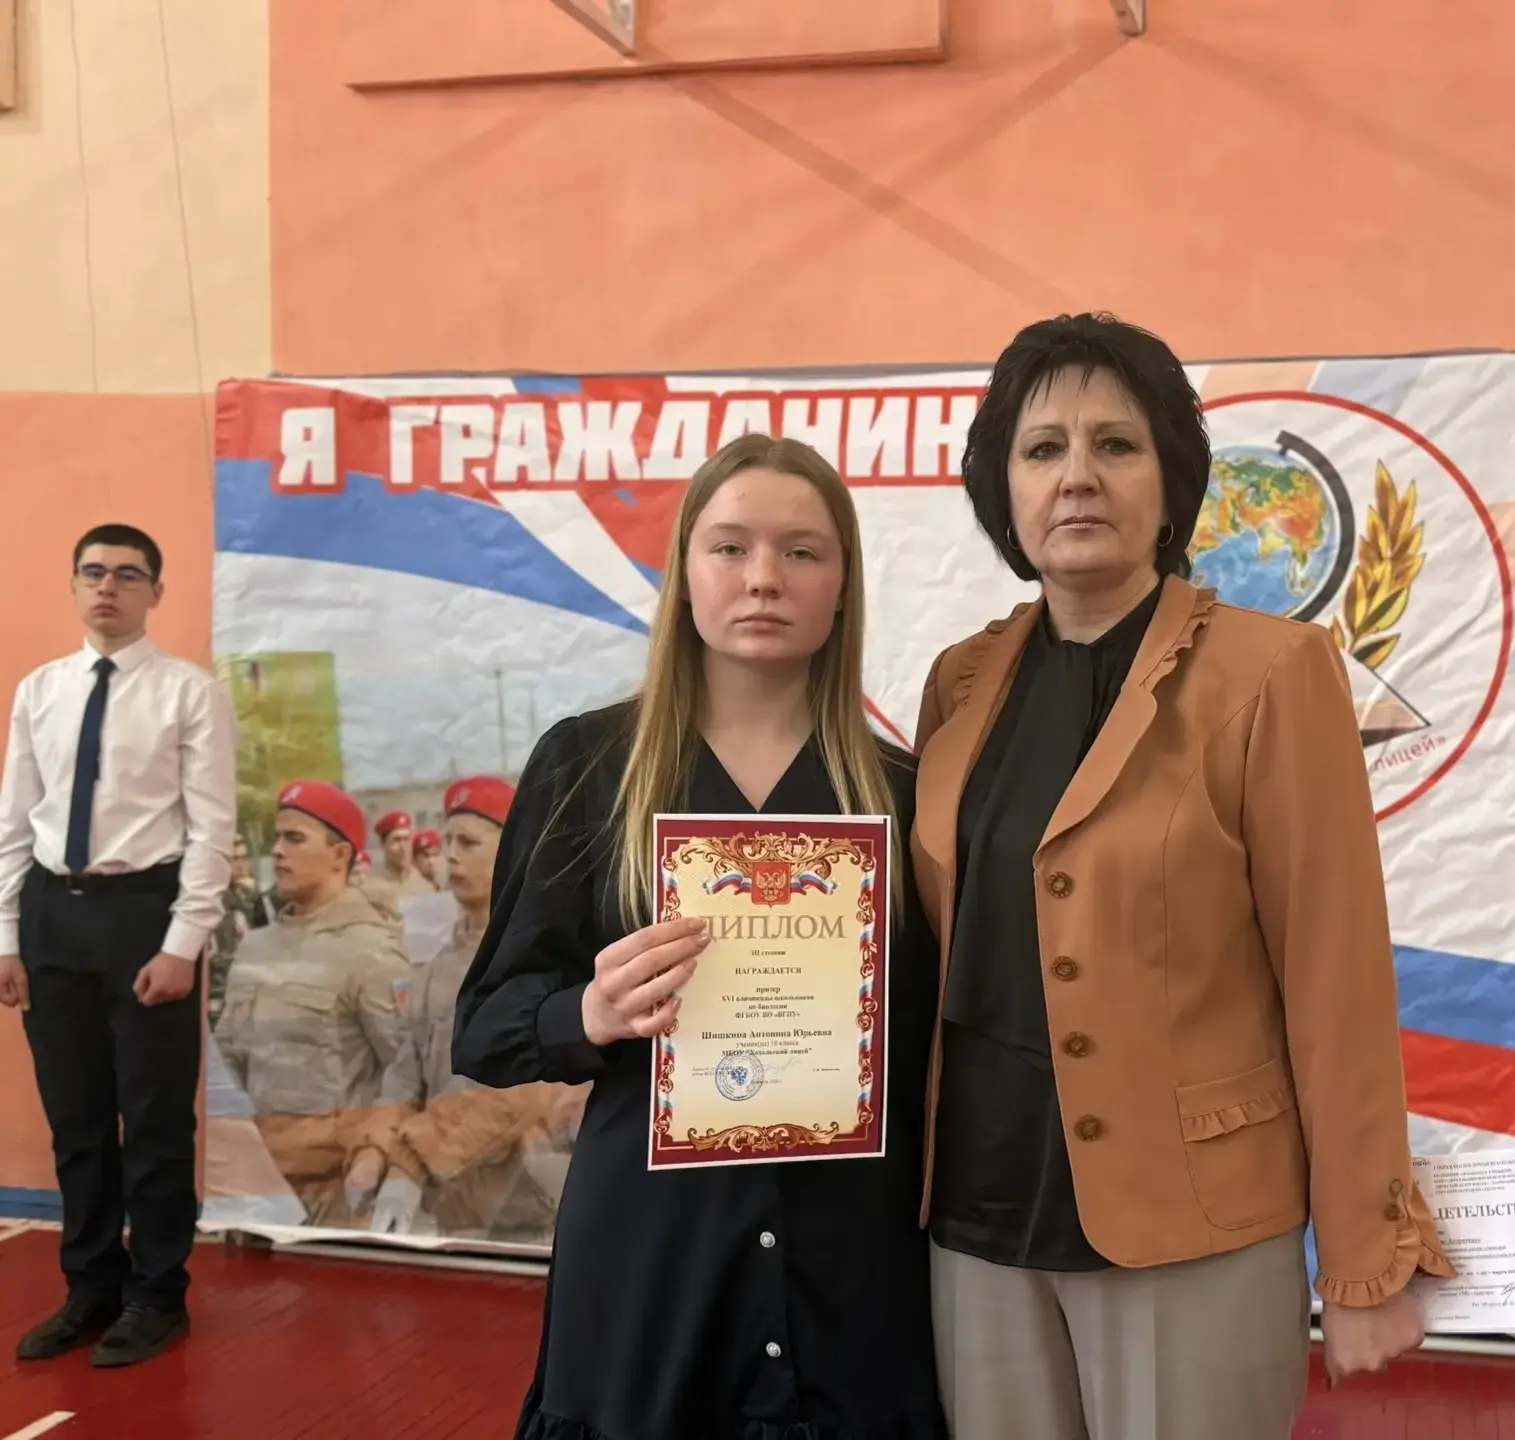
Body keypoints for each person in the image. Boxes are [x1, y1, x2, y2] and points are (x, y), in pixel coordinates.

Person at [911, 314, 1454, 1439]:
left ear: (1171, 485)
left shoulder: (1274, 672)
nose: (1077, 475)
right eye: (1043, 448)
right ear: (1003, 489)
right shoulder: (959, 682)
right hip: (974, 1215)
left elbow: (1337, 981)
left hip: (1193, 1223)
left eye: (1115, 444)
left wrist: (1368, 1259)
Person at [451, 433, 944, 1440]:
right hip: (656, 1259)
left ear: (844, 584)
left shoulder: (904, 792)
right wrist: (588, 1012)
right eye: (730, 547)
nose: (764, 577)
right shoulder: (588, 767)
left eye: (802, 552)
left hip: (854, 1265)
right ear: (685, 572)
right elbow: (486, 1026)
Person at [0, 523, 237, 1367]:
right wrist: (6, 936)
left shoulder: (188, 693)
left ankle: (158, 1295)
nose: (108, 587)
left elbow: (212, 830)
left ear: (154, 593)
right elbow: (14, 821)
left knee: (156, 1119)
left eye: (128, 574)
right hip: (51, 916)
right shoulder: (40, 690)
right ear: (74, 585)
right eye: (93, 572)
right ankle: (89, 1288)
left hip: (146, 915)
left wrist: (183, 944)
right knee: (77, 1120)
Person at [370, 776, 574, 1241]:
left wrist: (409, 1163)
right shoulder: (436, 968)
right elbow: (404, 1075)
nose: (450, 855)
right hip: (452, 1212)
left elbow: (521, 1094)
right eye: (448, 842)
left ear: (514, 849)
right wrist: (375, 1148)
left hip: (532, 1215)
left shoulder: (549, 958)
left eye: (468, 842)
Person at [214, 781, 414, 1229]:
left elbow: (408, 1073)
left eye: (295, 838)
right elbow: (227, 1061)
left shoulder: (370, 951)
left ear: (340, 855)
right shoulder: (255, 948)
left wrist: (375, 1151)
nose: (278, 851)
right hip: (256, 1187)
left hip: (337, 1194)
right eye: (277, 838)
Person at [210, 833, 271, 1026]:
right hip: (217, 999)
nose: (241, 865)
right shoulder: (210, 900)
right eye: (234, 859)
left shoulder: (249, 896)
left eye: (244, 858)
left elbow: (265, 938)